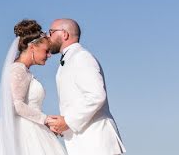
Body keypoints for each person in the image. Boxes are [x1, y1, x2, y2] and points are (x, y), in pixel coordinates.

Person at [0, 20, 68, 155]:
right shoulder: (18, 70)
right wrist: (46, 120)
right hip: (23, 133)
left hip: (32, 126)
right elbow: (17, 105)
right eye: (46, 51)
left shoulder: (24, 70)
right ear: (32, 47)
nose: (49, 55)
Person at [46, 18, 125, 155]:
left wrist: (68, 121)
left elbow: (96, 96)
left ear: (64, 34)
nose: (48, 36)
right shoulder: (69, 59)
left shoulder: (81, 57)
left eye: (51, 32)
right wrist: (62, 125)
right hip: (83, 142)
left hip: (96, 143)